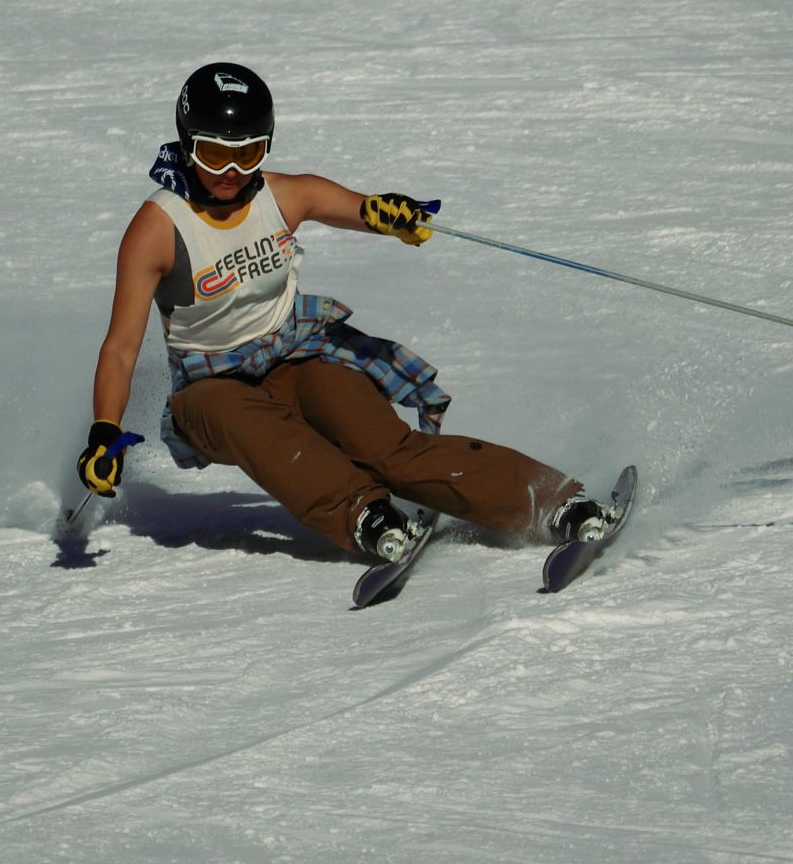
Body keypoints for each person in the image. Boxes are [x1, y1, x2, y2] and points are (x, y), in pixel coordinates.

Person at [77, 62, 620, 563]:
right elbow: (121, 348)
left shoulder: (285, 196)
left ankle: (551, 503)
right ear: (187, 144)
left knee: (386, 447)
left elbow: (362, 208)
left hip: (294, 355)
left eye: (250, 154)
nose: (232, 172)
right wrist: (104, 430)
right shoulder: (157, 229)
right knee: (263, 432)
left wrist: (392, 216)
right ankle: (365, 515)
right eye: (215, 154)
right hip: (209, 388)